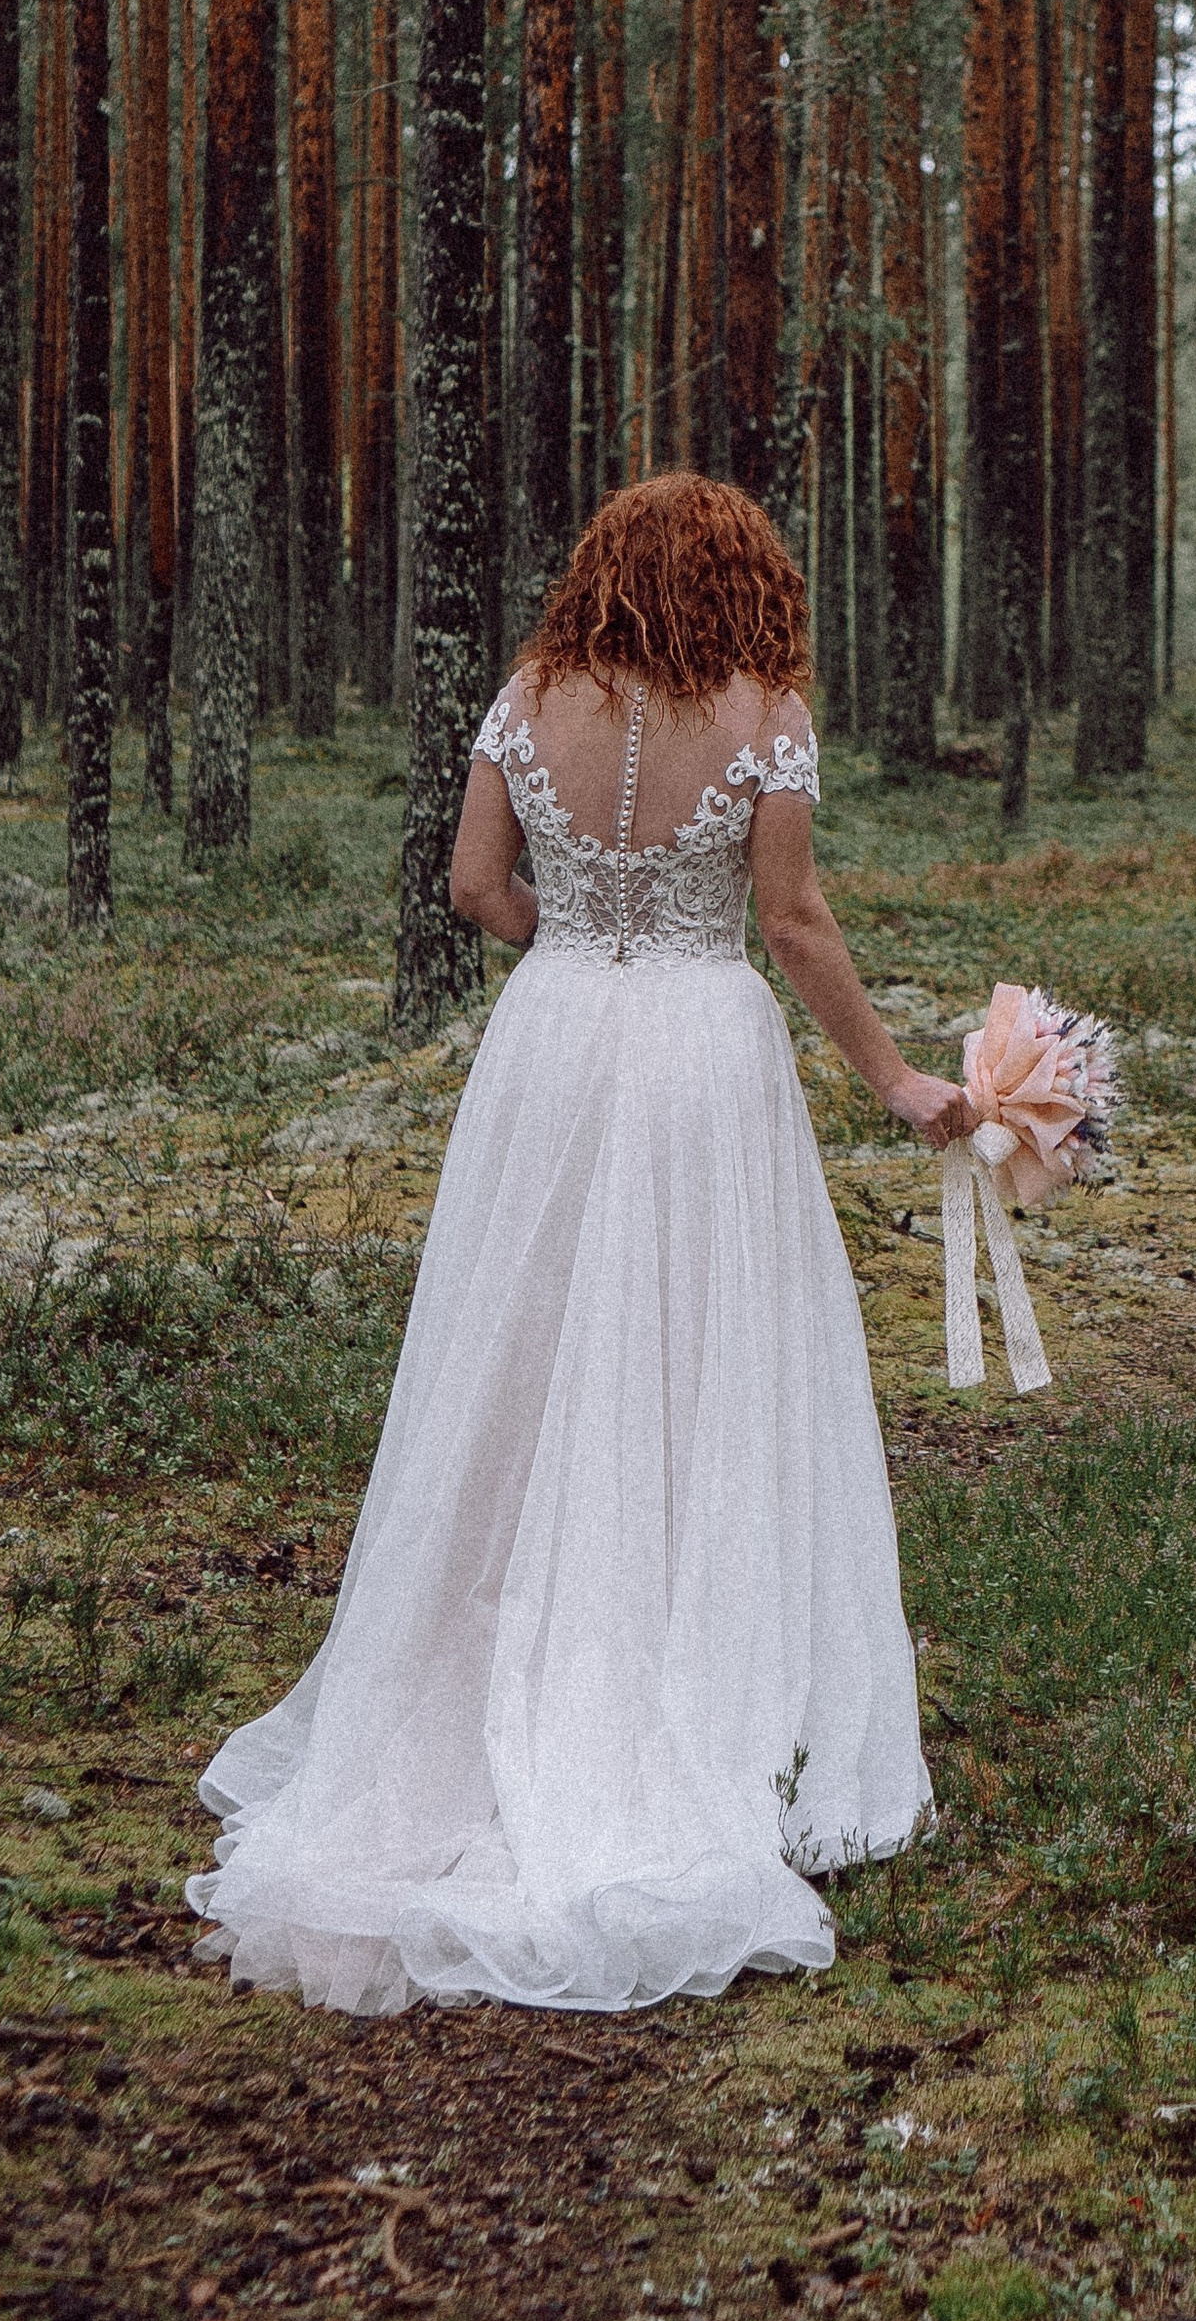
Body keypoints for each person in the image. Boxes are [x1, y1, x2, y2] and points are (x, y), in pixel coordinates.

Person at [187, 472, 968, 2017]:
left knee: (522, 1359)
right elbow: (793, 921)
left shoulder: (528, 697)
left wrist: (580, 944)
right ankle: (700, 1692)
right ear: (744, 581)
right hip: (700, 1058)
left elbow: (473, 886)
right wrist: (895, 1078)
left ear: (601, 570)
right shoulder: (765, 712)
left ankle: (481, 1680)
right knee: (699, 1359)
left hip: (548, 1051)